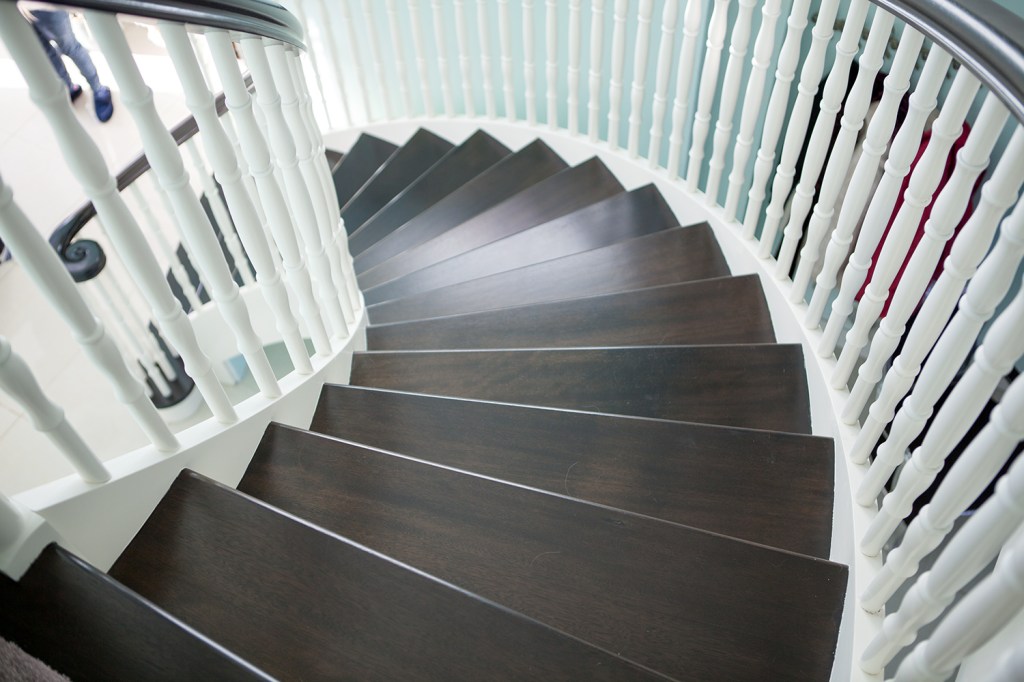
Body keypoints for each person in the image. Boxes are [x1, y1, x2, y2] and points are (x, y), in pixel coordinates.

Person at [29, 9, 114, 122]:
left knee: (70, 47)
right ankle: (69, 88)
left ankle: (98, 89)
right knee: (46, 53)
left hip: (46, 6)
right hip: (15, 9)